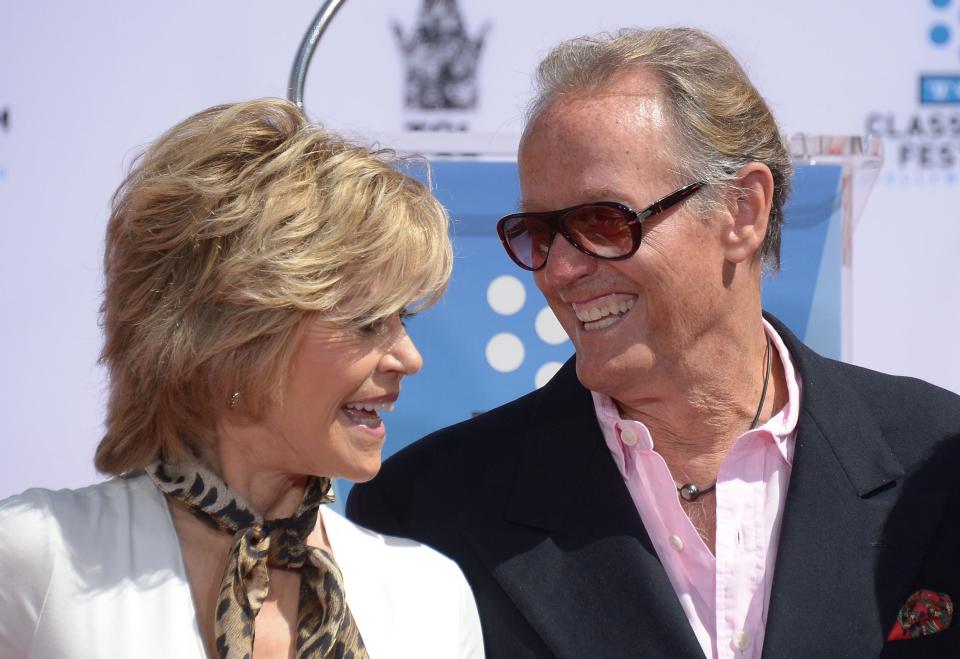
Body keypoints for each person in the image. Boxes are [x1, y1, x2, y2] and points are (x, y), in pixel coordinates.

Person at [347, 27, 960, 658]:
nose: (558, 271)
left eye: (602, 222)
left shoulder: (940, 464)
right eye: (538, 233)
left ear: (742, 212)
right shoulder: (424, 514)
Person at [0, 98, 483, 659]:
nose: (409, 356)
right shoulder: (38, 558)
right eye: (366, 321)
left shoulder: (428, 593)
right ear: (236, 333)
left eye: (405, 318)